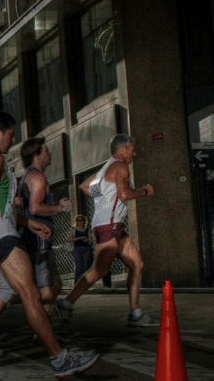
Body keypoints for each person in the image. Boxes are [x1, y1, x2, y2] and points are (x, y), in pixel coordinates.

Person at [0, 111, 98, 380]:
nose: (13, 140)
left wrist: (26, 221)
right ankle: (60, 358)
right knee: (30, 295)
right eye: (11, 134)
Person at [0, 136, 72, 356]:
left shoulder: (24, 176)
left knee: (50, 287)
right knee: (40, 292)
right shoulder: (35, 177)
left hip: (24, 235)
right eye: (46, 150)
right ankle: (0, 307)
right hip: (33, 240)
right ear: (37, 154)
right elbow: (34, 208)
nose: (50, 154)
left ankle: (41, 334)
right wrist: (60, 208)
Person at [57, 134, 157, 329]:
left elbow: (84, 186)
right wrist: (145, 191)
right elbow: (124, 194)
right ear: (123, 150)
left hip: (112, 224)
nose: (135, 153)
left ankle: (136, 313)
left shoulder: (106, 168)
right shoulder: (120, 167)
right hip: (108, 225)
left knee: (136, 264)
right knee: (100, 270)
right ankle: (65, 303)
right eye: (132, 150)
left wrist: (103, 200)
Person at [69, 215, 111, 289]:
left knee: (85, 267)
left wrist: (87, 240)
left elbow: (91, 241)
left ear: (84, 221)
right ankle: (77, 285)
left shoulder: (87, 230)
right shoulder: (73, 229)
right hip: (77, 250)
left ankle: (85, 284)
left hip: (86, 249)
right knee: (79, 267)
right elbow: (69, 239)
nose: (80, 222)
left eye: (81, 220)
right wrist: (79, 238)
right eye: (78, 220)